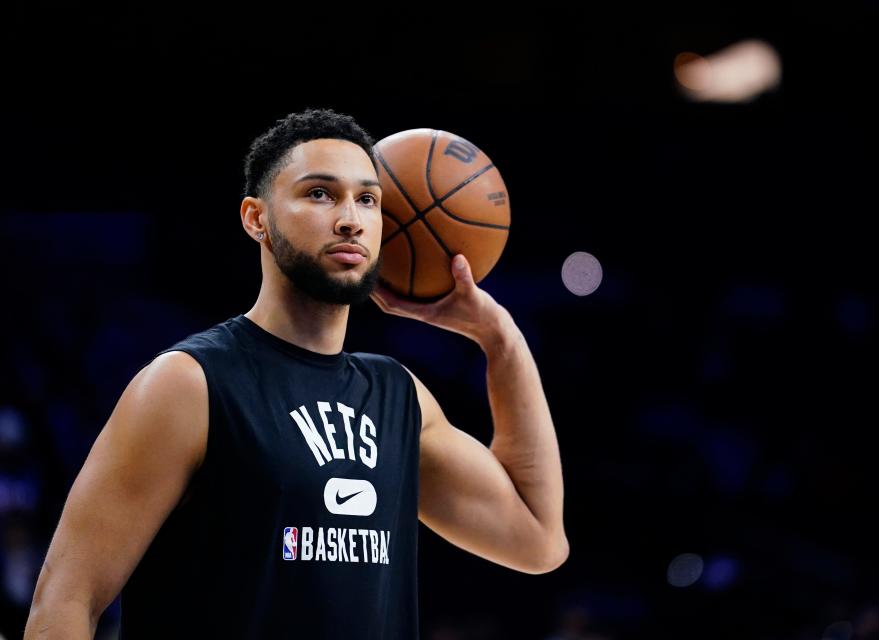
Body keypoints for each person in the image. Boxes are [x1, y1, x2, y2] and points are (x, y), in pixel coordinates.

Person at [24, 108, 568, 638]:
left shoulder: (398, 398)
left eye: (368, 199)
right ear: (256, 218)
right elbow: (67, 599)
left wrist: (501, 340)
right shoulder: (190, 383)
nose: (350, 217)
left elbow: (539, 540)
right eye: (320, 194)